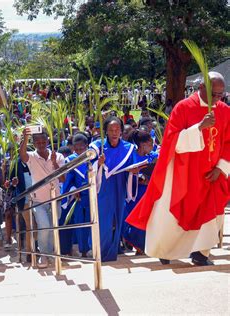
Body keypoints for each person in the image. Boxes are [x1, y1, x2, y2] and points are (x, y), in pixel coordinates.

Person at [126, 72, 229, 266]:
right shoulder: (184, 108)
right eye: (214, 94)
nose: (218, 99)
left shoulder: (224, 110)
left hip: (211, 174)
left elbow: (229, 142)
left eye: (220, 95)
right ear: (201, 89)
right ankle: (167, 250)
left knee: (210, 213)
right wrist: (199, 127)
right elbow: (171, 140)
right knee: (171, 212)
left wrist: (221, 167)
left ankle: (201, 253)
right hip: (183, 171)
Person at [90, 116, 137, 262]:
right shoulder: (98, 146)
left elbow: (133, 164)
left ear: (121, 131)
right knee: (104, 219)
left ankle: (113, 251)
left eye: (117, 129)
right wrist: (98, 163)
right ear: (106, 131)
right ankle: (102, 252)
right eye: (111, 129)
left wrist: (134, 171)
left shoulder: (128, 148)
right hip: (104, 184)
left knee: (118, 217)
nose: (114, 132)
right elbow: (88, 166)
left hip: (120, 183)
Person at [19, 129, 65, 268]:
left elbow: (62, 178)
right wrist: (25, 138)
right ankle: (44, 255)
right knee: (44, 226)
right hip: (38, 200)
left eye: (43, 141)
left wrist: (54, 163)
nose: (41, 144)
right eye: (37, 141)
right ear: (33, 143)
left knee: (52, 228)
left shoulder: (58, 156)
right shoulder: (31, 156)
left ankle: (50, 254)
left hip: (55, 198)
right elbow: (22, 156)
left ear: (47, 141)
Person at [122, 129, 157, 255]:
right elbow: (125, 172)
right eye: (150, 144)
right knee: (134, 219)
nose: (152, 146)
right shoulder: (131, 156)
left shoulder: (153, 156)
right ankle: (135, 244)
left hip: (149, 191)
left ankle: (144, 245)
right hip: (134, 193)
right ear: (142, 144)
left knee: (147, 218)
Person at [60, 133, 91, 257]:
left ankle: (90, 247)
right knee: (79, 222)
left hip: (91, 195)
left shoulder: (92, 157)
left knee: (91, 221)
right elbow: (67, 181)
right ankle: (83, 250)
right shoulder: (70, 160)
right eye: (76, 149)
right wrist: (74, 190)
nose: (79, 152)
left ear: (86, 146)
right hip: (77, 196)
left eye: (81, 149)